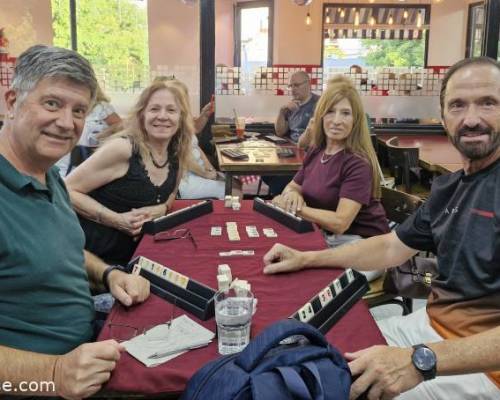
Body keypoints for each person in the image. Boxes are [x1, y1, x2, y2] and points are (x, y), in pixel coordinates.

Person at [263, 57, 500, 399]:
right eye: (458, 105)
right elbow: (390, 247)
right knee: (305, 357)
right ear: (443, 116)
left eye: (488, 103)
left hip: (481, 369)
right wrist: (306, 258)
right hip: (427, 328)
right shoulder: (450, 187)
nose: (472, 118)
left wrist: (420, 361)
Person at [0, 45, 150, 399]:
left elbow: (61, 250)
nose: (67, 123)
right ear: (12, 102)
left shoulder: (48, 174)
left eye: (79, 110)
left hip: (91, 342)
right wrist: (54, 374)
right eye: (52, 103)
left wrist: (109, 275)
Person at [272, 76, 389, 281]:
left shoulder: (357, 163)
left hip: (364, 246)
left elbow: (340, 222)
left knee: (308, 280)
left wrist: (294, 208)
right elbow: (292, 187)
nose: (336, 121)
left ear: (356, 120)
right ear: (320, 116)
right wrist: (293, 195)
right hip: (329, 239)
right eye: (330, 112)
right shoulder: (317, 150)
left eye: (345, 113)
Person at [65, 80, 192, 266]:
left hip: (140, 256)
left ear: (181, 118)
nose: (162, 116)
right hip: (96, 260)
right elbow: (66, 189)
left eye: (171, 110)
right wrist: (117, 220)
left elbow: (172, 193)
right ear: (142, 115)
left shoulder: (176, 153)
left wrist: (163, 208)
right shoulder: (123, 149)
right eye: (154, 109)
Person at [163, 78, 242, 199]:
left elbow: (195, 139)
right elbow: (184, 158)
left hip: (197, 172)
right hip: (186, 179)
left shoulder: (182, 119)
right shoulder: (170, 124)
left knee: (236, 183)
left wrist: (210, 169)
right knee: (235, 191)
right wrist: (206, 174)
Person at [264, 71, 320, 195]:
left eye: (297, 85)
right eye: (291, 86)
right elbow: (280, 132)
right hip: (291, 152)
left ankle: (282, 198)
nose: (293, 89)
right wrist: (282, 111)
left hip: (309, 156)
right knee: (265, 171)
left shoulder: (319, 104)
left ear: (308, 84)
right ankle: (282, 196)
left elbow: (315, 138)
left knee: (278, 182)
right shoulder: (291, 105)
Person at [55, 83, 122, 177]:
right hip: (68, 153)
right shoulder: (66, 106)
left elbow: (121, 126)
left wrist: (103, 134)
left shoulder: (101, 107)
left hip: (90, 154)